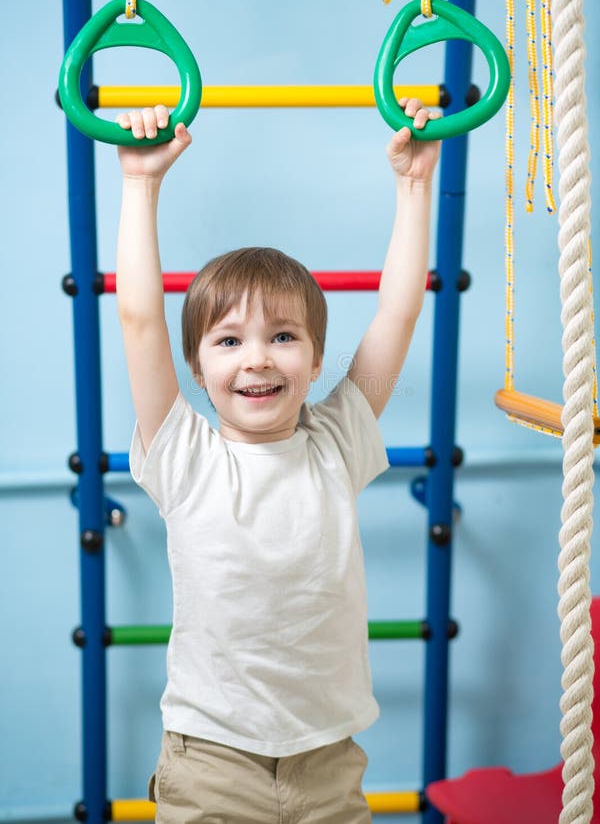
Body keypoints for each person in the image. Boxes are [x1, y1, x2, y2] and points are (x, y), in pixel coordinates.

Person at [116, 98, 441, 823]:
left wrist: (414, 187)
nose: (257, 357)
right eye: (228, 341)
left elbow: (398, 311)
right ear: (196, 369)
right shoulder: (184, 456)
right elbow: (139, 319)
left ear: (317, 357)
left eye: (284, 336)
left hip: (326, 759)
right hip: (211, 760)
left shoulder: (337, 443)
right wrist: (141, 186)